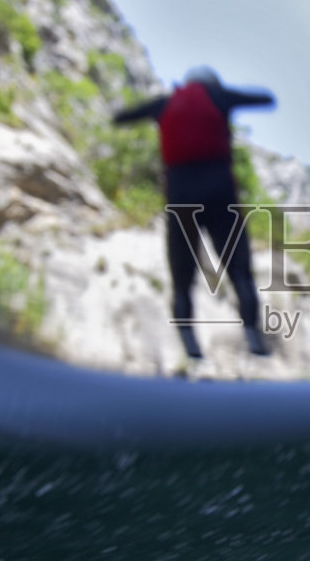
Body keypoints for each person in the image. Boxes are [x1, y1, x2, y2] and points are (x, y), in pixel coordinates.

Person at [113, 66, 275, 359]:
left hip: (180, 194)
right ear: (211, 84)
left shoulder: (165, 104)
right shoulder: (219, 96)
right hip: (219, 190)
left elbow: (123, 117)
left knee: (182, 275)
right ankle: (252, 333)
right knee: (239, 269)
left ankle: (188, 339)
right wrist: (255, 97)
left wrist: (120, 116)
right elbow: (264, 99)